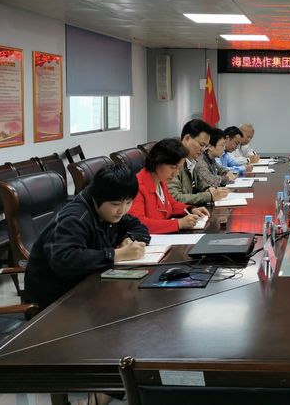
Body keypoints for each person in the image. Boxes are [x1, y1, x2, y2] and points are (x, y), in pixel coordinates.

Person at [24, 164, 151, 309]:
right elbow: (66, 260)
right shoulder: (75, 218)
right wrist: (116, 254)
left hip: (90, 286)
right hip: (56, 301)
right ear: (96, 197)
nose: (122, 210)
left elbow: (138, 227)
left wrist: (128, 239)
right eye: (116, 204)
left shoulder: (109, 211)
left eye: (129, 202)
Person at [129, 138, 210, 233]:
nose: (176, 173)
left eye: (179, 169)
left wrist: (190, 209)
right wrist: (178, 224)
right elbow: (138, 224)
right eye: (173, 167)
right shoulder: (137, 187)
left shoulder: (161, 181)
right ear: (157, 161)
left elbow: (171, 204)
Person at [169, 119, 230, 205]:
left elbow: (199, 182)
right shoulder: (172, 160)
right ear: (187, 139)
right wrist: (210, 196)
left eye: (205, 146)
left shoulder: (192, 160)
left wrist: (208, 188)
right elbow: (174, 198)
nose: (203, 150)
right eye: (202, 145)